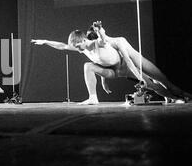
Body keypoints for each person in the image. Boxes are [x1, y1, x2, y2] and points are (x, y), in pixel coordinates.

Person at [32, 21, 191, 104]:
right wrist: (45, 41)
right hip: (114, 71)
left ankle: (180, 96)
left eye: (78, 45)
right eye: (75, 47)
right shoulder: (83, 48)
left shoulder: (97, 43)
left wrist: (140, 77)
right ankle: (93, 98)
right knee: (87, 66)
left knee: (157, 82)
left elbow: (104, 42)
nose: (77, 49)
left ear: (85, 40)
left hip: (127, 66)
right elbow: (63, 46)